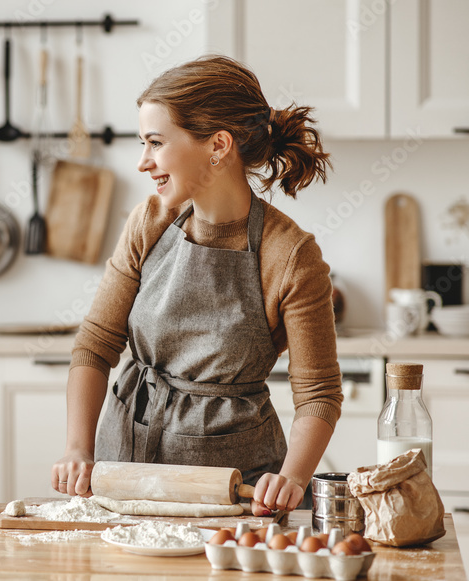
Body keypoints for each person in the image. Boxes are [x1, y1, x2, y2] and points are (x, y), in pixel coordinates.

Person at [51, 55, 343, 516]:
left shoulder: (289, 254)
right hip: (125, 473)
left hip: (236, 495)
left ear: (218, 145)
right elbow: (95, 344)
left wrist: (291, 477)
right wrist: (77, 447)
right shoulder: (148, 223)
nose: (143, 162)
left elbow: (319, 393)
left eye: (156, 143)